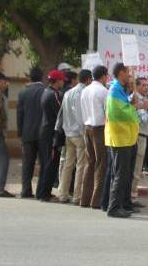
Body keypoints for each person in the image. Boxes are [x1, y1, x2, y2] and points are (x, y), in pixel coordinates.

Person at [105, 63, 144, 218]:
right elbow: (119, 112)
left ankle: (125, 203)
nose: (130, 75)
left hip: (127, 137)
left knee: (126, 173)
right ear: (121, 73)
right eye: (128, 72)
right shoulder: (114, 89)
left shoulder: (120, 90)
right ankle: (114, 207)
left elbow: (125, 105)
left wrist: (131, 101)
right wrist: (136, 106)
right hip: (120, 138)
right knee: (120, 174)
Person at [54, 69, 91, 204]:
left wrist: (60, 128)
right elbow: (80, 115)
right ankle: (77, 196)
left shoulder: (68, 92)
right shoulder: (82, 92)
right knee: (81, 165)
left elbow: (61, 113)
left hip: (68, 132)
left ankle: (62, 194)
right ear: (88, 80)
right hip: (78, 133)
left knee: (68, 165)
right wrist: (84, 133)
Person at [79, 65, 109, 209]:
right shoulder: (104, 91)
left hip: (87, 127)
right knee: (101, 164)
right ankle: (96, 200)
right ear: (103, 76)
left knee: (89, 163)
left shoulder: (85, 90)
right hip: (99, 129)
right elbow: (108, 113)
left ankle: (84, 199)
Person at [16, 67, 45, 199]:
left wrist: (20, 133)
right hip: (43, 134)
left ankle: (25, 190)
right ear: (41, 77)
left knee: (27, 163)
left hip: (27, 134)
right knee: (43, 163)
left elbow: (19, 115)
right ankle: (41, 191)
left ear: (30, 77)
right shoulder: (45, 91)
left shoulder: (22, 93)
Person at [37, 70, 65, 201]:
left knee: (45, 163)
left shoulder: (45, 92)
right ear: (57, 81)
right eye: (61, 80)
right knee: (50, 164)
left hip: (44, 131)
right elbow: (61, 112)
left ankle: (40, 192)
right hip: (51, 133)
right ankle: (45, 194)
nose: (63, 82)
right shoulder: (53, 95)